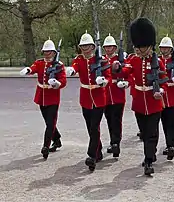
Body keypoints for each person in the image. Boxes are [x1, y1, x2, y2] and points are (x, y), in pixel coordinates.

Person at [112, 17, 168, 176]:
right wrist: (116, 68)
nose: (139, 49)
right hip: (139, 102)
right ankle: (150, 152)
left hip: (154, 101)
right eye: (138, 46)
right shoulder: (133, 59)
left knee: (151, 132)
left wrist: (161, 91)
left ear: (149, 46)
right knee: (144, 132)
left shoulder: (158, 62)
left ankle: (148, 160)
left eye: (142, 46)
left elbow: (164, 80)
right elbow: (125, 71)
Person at [66, 31, 111, 171]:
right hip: (85, 97)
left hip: (99, 97)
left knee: (94, 126)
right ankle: (98, 150)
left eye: (87, 46)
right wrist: (71, 71)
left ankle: (91, 156)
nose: (85, 49)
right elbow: (75, 67)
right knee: (90, 126)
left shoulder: (101, 59)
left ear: (93, 46)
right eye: (83, 46)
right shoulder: (79, 59)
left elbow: (108, 76)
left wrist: (103, 81)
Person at [20, 39, 67, 159]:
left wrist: (57, 83)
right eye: (45, 51)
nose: (47, 53)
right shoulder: (40, 62)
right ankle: (57, 139)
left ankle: (45, 146)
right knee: (48, 122)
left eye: (49, 51)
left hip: (53, 97)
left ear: (54, 52)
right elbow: (34, 68)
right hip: (42, 96)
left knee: (50, 123)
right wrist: (28, 70)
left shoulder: (59, 65)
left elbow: (63, 81)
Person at [102, 34, 129, 157]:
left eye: (111, 47)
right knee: (109, 119)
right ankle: (113, 142)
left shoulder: (121, 58)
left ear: (115, 47)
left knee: (117, 120)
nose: (108, 49)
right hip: (106, 94)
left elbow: (129, 74)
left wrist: (126, 83)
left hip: (118, 93)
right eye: (106, 47)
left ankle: (116, 143)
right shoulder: (102, 59)